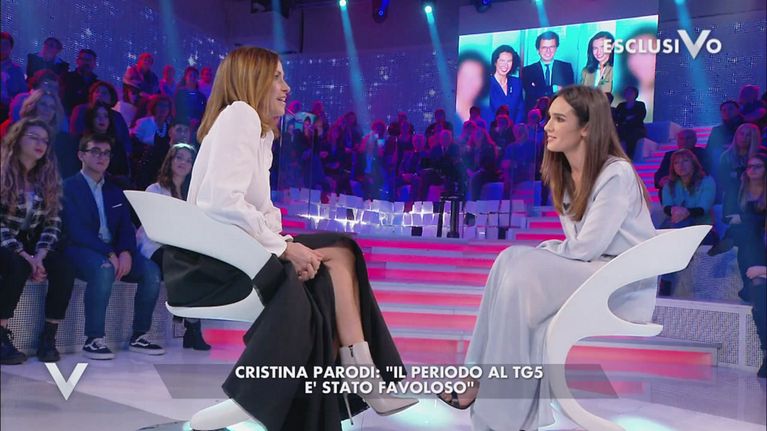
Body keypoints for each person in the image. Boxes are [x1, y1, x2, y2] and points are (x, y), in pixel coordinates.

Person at [171, 46, 417, 430]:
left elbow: (262, 210)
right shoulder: (240, 115)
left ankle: (362, 375)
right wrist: (284, 248)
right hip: (216, 263)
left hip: (239, 251)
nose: (286, 87)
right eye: (277, 77)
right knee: (335, 260)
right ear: (252, 79)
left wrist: (284, 244)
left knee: (340, 254)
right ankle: (358, 378)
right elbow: (221, 202)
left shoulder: (259, 131)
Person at [439, 86, 656, 431]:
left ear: (586, 128)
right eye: (549, 118)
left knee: (523, 273)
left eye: (559, 119)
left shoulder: (616, 173)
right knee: (508, 259)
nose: (547, 127)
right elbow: (580, 247)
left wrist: (549, 250)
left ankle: (503, 414)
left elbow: (586, 248)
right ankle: (477, 378)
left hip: (619, 280)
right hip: (591, 268)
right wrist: (552, 250)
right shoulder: (565, 174)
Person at [62, 134, 164, 360]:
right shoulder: (68, 187)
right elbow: (76, 230)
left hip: (114, 252)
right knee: (103, 269)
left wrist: (125, 251)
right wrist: (108, 252)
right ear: (81, 155)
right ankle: (94, 338)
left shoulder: (114, 190)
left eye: (106, 153)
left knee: (151, 272)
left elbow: (126, 227)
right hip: (81, 249)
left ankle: (140, 335)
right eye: (95, 151)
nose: (102, 157)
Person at [0, 118, 76, 365]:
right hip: (5, 241)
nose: (40, 143)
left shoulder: (48, 177)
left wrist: (40, 256)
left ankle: (49, 337)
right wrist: (25, 256)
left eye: (44, 140)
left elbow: (53, 222)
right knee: (17, 266)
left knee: (64, 268)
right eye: (33, 137)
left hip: (32, 243)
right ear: (17, 139)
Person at [135, 143, 210, 350]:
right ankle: (192, 328)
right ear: (170, 160)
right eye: (179, 158)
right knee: (185, 267)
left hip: (181, 249)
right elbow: (153, 227)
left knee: (202, 267)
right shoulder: (155, 189)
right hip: (154, 245)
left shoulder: (193, 196)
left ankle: (190, 327)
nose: (183, 163)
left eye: (188, 160)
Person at [709, 152, 766, 304]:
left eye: (758, 166)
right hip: (744, 232)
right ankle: (750, 285)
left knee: (750, 232)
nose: (752, 170)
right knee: (749, 235)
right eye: (749, 166)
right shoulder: (737, 188)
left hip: (758, 231)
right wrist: (745, 219)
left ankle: (728, 241)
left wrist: (744, 218)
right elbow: (727, 215)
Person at [522, 31, 574, 111]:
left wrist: (539, 89)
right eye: (544, 47)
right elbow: (531, 93)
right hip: (536, 115)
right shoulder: (528, 70)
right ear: (538, 50)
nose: (548, 51)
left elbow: (569, 93)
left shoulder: (566, 68)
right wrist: (554, 88)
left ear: (556, 48)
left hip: (559, 113)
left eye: (551, 47)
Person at [717, 123, 762, 207]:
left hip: (757, 197)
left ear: (754, 138)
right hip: (732, 197)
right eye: (741, 134)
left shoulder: (761, 155)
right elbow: (723, 179)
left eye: (748, 135)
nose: (743, 138)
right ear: (736, 135)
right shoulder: (726, 156)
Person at [488, 45, 525, 124]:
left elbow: (520, 110)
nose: (505, 65)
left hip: (514, 130)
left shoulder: (517, 83)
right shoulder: (486, 84)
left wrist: (515, 129)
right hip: (492, 129)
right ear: (495, 62)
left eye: (509, 61)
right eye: (502, 60)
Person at [455, 51, 489, 123]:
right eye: (465, 76)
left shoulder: (488, 114)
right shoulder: (443, 108)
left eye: (475, 77)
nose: (469, 82)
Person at [61, 49, 98, 114]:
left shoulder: (97, 84)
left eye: (89, 60)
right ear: (77, 61)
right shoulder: (65, 78)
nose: (86, 62)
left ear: (94, 63)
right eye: (83, 59)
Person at [614, 86, 647, 160]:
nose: (628, 94)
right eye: (627, 92)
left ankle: (629, 157)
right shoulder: (621, 105)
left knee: (631, 136)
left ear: (635, 94)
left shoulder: (640, 105)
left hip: (636, 128)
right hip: (623, 128)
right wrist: (627, 118)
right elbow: (617, 117)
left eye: (630, 92)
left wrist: (627, 119)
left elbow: (640, 117)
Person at [1, 32, 26, 123]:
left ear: (10, 48)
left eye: (6, 45)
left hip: (9, 112)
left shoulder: (17, 70)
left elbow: (23, 94)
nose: (2, 48)